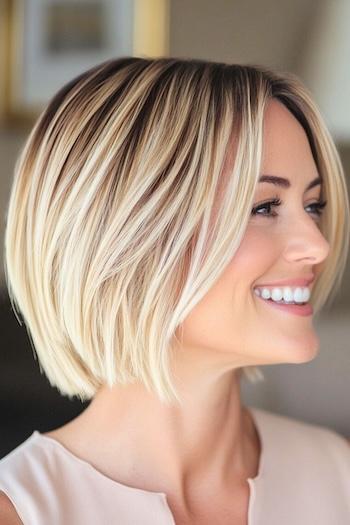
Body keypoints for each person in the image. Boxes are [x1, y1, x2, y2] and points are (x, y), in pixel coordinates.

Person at [0, 57, 349, 524]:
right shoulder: (23, 511)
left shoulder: (337, 476)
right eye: (265, 206)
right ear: (130, 235)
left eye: (313, 205)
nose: (318, 245)